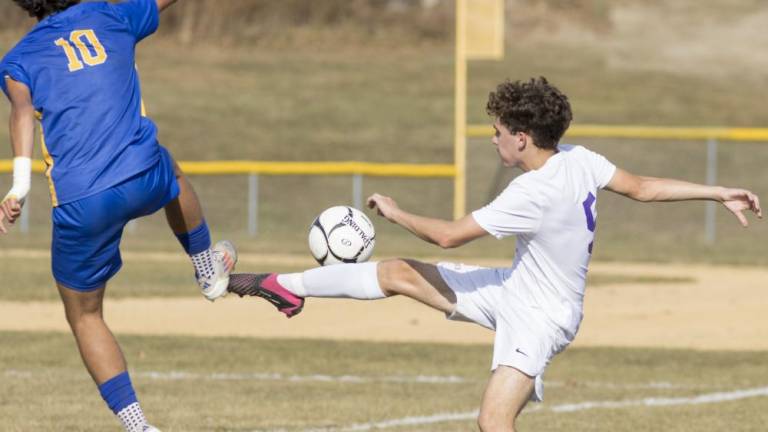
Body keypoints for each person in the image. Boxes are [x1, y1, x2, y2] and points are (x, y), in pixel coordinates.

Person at [227, 77, 762, 431]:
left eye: (498, 132)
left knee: (493, 422)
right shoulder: (578, 159)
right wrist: (717, 192)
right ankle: (283, 287)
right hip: (514, 291)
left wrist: (395, 212)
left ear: (523, 138)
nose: (493, 140)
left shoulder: (532, 192)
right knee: (397, 273)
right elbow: (643, 187)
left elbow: (448, 237)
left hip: (541, 317)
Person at [0, 1, 237, 430]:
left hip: (81, 200)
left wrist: (18, 185)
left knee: (85, 315)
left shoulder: (18, 59)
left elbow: (20, 115)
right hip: (140, 171)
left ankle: (138, 426)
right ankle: (207, 270)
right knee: (174, 177)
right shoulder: (110, 14)